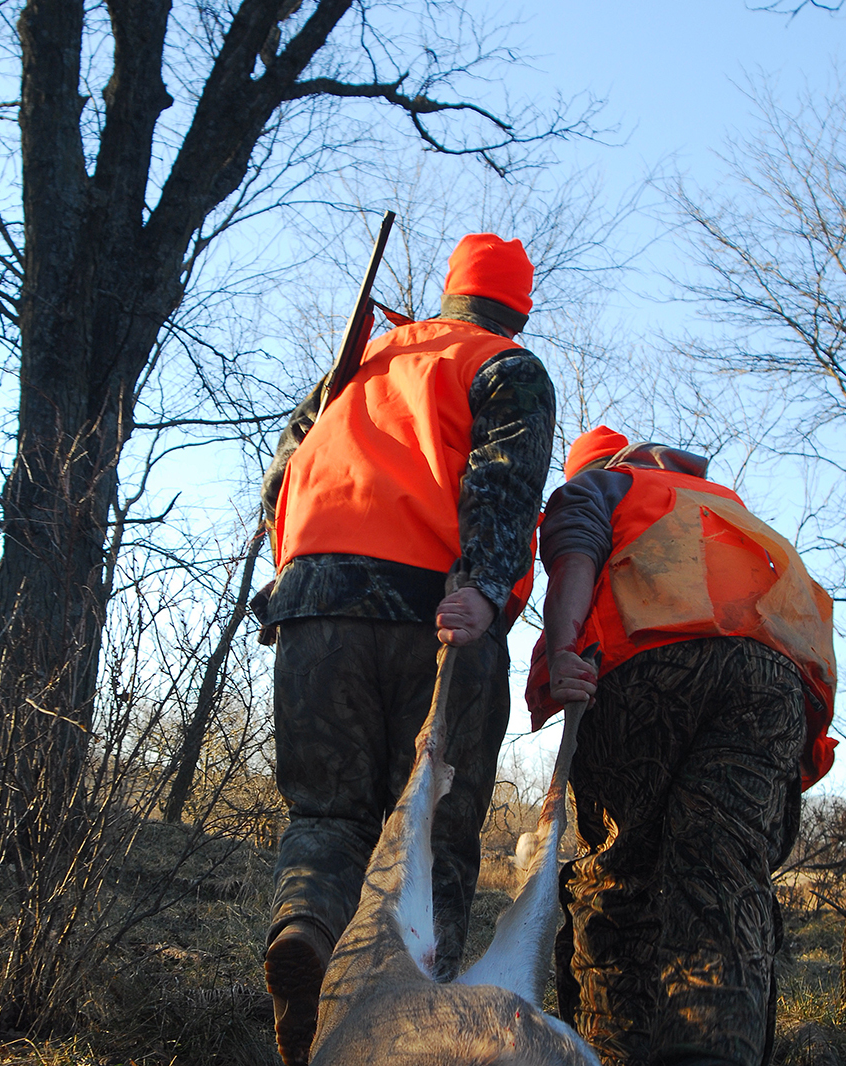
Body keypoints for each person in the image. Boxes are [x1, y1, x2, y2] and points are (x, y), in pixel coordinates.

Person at [256, 233, 555, 1065]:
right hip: (434, 611)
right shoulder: (506, 365)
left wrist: (298, 579)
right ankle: (414, 1033)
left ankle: (308, 931)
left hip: (312, 604)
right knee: (434, 834)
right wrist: (486, 587)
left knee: (326, 814)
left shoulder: (360, 363)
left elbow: (281, 474)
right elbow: (502, 479)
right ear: (519, 308)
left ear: (453, 292)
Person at [526, 425, 837, 1066]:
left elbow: (575, 556)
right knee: (723, 878)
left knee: (618, 881)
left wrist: (561, 651)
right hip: (771, 678)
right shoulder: (718, 500)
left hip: (650, 667)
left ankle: (613, 1053)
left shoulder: (601, 484)